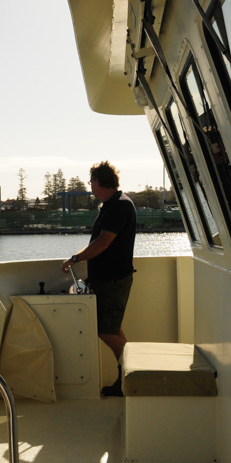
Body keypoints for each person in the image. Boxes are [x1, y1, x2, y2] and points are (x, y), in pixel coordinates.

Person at [61, 161, 136, 396]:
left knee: (107, 330)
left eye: (91, 182)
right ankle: (127, 380)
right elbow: (99, 242)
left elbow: (103, 243)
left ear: (98, 182)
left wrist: (75, 258)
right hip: (107, 279)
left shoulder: (118, 207)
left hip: (113, 281)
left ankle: (133, 378)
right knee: (112, 329)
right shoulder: (112, 205)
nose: (90, 187)